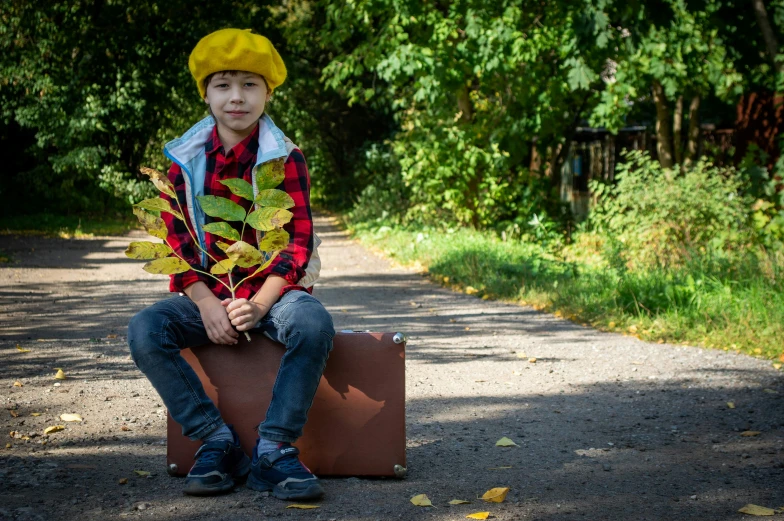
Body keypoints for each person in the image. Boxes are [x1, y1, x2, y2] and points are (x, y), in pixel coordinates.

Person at [127, 28, 334, 501]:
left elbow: (296, 241)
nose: (236, 97)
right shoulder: (183, 162)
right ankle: (216, 442)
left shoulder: (285, 159)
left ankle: (275, 449)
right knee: (145, 330)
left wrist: (260, 305)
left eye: (250, 85)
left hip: (272, 297)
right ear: (206, 94)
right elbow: (176, 243)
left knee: (313, 323)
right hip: (209, 300)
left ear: (268, 92)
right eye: (223, 85)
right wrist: (204, 303)